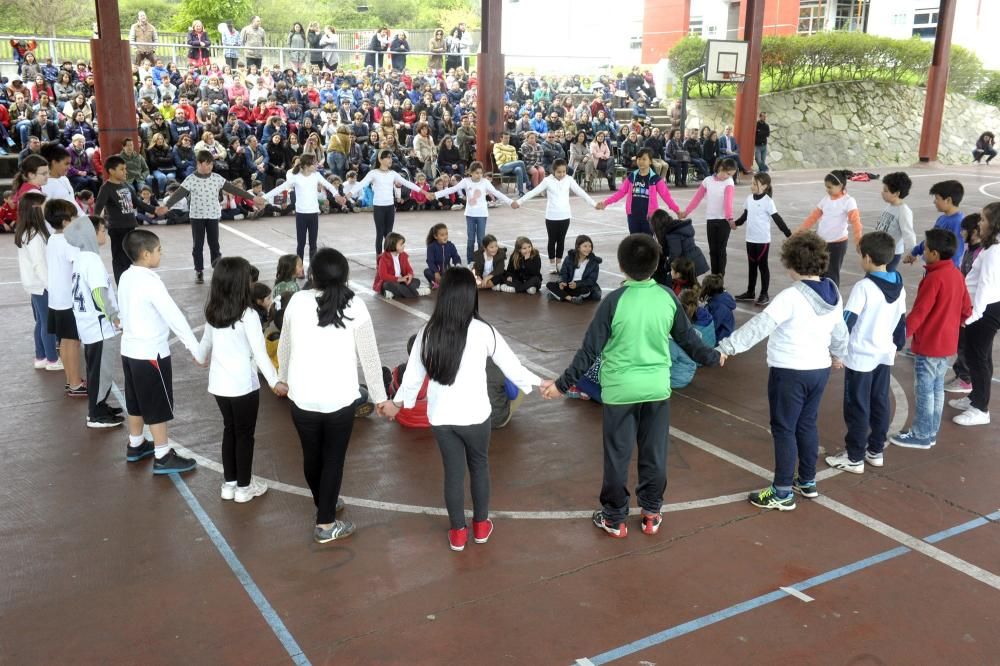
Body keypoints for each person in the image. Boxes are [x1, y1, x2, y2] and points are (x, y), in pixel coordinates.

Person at [541, 234, 723, 537]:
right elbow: (690, 341)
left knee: (618, 455)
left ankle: (614, 517)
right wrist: (714, 357)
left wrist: (561, 385)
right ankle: (651, 512)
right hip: (656, 389)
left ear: (623, 267)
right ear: (656, 265)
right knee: (654, 452)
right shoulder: (667, 296)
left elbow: (589, 351)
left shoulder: (614, 301)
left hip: (620, 392)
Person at [383, 267, 542, 551]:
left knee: (453, 473)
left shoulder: (427, 332)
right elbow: (513, 368)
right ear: (471, 296)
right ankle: (481, 526)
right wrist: (543, 383)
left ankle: (458, 532)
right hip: (476, 417)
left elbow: (412, 379)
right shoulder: (483, 331)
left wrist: (396, 405)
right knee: (479, 467)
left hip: (442, 419)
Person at [717, 232, 849, 511]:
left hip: (790, 372)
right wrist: (839, 354)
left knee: (784, 428)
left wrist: (727, 347)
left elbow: (759, 327)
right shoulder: (833, 291)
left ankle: (782, 492)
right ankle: (808, 481)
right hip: (819, 370)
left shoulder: (790, 297)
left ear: (792, 264)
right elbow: (840, 329)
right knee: (807, 423)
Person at [275, 248, 390, 543]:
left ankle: (325, 503)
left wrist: (282, 379)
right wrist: (379, 397)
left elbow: (284, 345)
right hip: (340, 398)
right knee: (334, 459)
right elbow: (370, 357)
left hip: (302, 397)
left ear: (313, 275)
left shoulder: (297, 302)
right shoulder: (356, 305)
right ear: (345, 274)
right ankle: (325, 523)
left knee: (312, 456)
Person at [118, 229, 203, 474]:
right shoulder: (151, 282)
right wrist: (195, 349)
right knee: (155, 403)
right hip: (151, 353)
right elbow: (174, 317)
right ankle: (163, 455)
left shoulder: (126, 276)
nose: (161, 253)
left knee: (135, 400)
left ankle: (136, 444)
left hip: (130, 350)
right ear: (146, 254)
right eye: (158, 250)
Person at [197, 257, 280, 503]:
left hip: (219, 385)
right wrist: (275, 383)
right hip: (243, 385)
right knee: (245, 435)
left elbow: (205, 344)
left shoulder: (213, 311)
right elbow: (260, 353)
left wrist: (200, 356)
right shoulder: (248, 315)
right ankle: (244, 487)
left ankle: (229, 483)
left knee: (230, 430)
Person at [824, 231, 907, 474]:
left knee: (857, 406)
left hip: (860, 357)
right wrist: (898, 345)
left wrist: (836, 350)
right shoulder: (899, 285)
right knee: (880, 401)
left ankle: (854, 456)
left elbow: (847, 320)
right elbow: (901, 320)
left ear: (868, 258)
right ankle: (875, 451)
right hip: (884, 353)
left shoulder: (864, 287)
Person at [890, 229, 971, 449]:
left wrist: (899, 338)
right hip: (947, 344)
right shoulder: (956, 274)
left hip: (929, 344)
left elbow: (919, 313)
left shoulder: (934, 278)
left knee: (925, 389)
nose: (923, 251)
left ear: (934, 253)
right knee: (936, 388)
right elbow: (966, 308)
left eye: (925, 248)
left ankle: (922, 434)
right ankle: (930, 430)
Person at [162, 151, 264, 283]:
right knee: (197, 245)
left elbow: (234, 189)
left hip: (213, 216)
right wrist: (167, 206)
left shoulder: (217, 178)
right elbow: (178, 194)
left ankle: (217, 269)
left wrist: (252, 197)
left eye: (211, 164)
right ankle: (199, 270)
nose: (210, 167)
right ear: (199, 163)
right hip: (197, 217)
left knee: (214, 245)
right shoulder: (191, 179)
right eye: (207, 164)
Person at [64, 215, 125, 428]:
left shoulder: (81, 258)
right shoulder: (93, 260)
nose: (104, 233)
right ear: (90, 234)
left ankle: (99, 405)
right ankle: (96, 414)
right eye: (101, 229)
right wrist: (114, 317)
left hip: (88, 325)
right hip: (100, 327)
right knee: (101, 370)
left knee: (95, 368)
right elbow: (99, 294)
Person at [953, 204, 1000, 426]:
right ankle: (975, 399)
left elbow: (985, 286)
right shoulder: (992, 248)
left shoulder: (993, 252)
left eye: (983, 219)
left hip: (983, 310)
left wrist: (972, 316)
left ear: (994, 224)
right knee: (980, 356)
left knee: (977, 358)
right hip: (983, 308)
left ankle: (981, 409)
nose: (979, 223)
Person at [517, 158, 598, 274]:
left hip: (565, 216)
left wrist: (594, 204)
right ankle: (551, 263)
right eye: (559, 172)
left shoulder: (569, 180)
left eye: (564, 171)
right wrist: (519, 202)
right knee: (552, 240)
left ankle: (559, 263)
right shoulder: (547, 181)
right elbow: (533, 192)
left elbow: (582, 193)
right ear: (553, 171)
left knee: (561, 241)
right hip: (551, 216)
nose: (562, 174)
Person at [95, 155, 168, 283]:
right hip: (117, 229)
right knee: (119, 260)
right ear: (111, 171)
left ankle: (133, 283)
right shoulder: (106, 189)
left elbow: (138, 203)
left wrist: (155, 209)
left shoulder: (127, 186)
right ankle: (122, 285)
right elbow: (98, 209)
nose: (125, 172)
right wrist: (96, 226)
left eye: (125, 169)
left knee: (132, 258)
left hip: (131, 227)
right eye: (122, 169)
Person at [434, 160, 516, 263]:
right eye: (477, 173)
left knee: (481, 240)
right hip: (470, 214)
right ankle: (470, 261)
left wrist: (510, 201)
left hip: (482, 215)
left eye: (481, 173)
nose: (479, 175)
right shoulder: (465, 181)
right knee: (471, 240)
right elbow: (452, 189)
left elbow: (496, 192)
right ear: (471, 172)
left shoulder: (485, 182)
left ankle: (480, 261)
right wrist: (436, 194)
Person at [264, 154, 341, 260]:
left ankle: (312, 269)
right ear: (306, 165)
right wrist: (264, 198)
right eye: (314, 163)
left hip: (313, 214)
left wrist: (336, 195)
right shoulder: (295, 178)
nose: (316, 165)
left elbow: (329, 185)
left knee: (313, 244)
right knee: (301, 244)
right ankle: (299, 268)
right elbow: (280, 188)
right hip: (301, 215)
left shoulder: (316, 175)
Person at [15, 192, 60, 371]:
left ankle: (41, 356)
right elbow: (39, 264)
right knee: (48, 322)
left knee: (42, 321)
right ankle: (51, 359)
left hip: (35, 284)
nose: (46, 208)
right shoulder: (34, 235)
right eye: (43, 205)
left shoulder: (29, 231)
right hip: (41, 285)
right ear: (35, 209)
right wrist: (51, 286)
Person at [732, 172, 791, 306]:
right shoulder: (749, 199)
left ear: (764, 186)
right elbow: (745, 216)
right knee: (751, 266)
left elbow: (778, 219)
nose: (752, 186)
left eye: (755, 184)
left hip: (762, 240)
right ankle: (750, 292)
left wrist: (789, 234)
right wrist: (735, 223)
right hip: (750, 239)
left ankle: (764, 293)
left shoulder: (768, 202)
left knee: (762, 266)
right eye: (752, 183)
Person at [796, 170, 862, 287]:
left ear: (840, 186)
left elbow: (856, 222)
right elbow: (813, 217)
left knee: (831, 275)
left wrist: (858, 242)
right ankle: (820, 297)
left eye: (830, 187)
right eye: (826, 187)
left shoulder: (848, 201)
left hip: (837, 244)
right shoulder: (826, 199)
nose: (827, 190)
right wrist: (799, 232)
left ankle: (832, 299)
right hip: (821, 243)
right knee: (818, 272)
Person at [352, 149, 422, 254]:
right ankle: (379, 258)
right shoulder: (373, 173)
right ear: (380, 159)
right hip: (379, 207)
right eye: (388, 157)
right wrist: (348, 194)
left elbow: (407, 183)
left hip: (390, 207)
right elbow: (361, 184)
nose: (391, 160)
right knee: (380, 233)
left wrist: (423, 192)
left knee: (389, 234)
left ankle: (389, 256)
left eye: (391, 157)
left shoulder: (393, 173)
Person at [600, 148, 682, 235]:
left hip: (649, 217)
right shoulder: (632, 176)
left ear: (650, 161)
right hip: (633, 216)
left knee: (647, 242)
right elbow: (620, 193)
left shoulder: (656, 179)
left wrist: (677, 211)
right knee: (635, 241)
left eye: (644, 159)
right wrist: (605, 203)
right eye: (639, 159)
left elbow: (667, 197)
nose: (641, 161)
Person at [946, 214, 983, 395]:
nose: (961, 233)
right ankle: (961, 373)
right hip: (964, 303)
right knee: (961, 342)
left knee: (966, 344)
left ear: (975, 232)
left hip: (973, 307)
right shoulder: (970, 249)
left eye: (964, 230)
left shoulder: (981, 253)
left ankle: (965, 379)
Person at [682, 157, 737, 276]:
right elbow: (697, 198)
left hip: (724, 221)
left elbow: (728, 202)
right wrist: (686, 212)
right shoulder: (707, 181)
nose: (728, 176)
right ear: (721, 168)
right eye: (728, 173)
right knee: (713, 251)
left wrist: (730, 218)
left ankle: (720, 277)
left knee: (721, 251)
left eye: (731, 175)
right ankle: (713, 276)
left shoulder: (729, 182)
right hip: (711, 220)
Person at [904, 180, 965, 270]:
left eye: (937, 198)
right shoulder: (942, 218)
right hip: (934, 267)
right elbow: (931, 240)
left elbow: (956, 252)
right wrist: (915, 252)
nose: (934, 202)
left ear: (948, 200)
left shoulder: (958, 222)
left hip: (943, 270)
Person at [650, 209, 708, 288]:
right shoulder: (676, 227)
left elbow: (675, 254)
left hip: (688, 264)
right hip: (695, 259)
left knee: (685, 288)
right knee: (692, 286)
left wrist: (666, 267)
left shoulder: (672, 233)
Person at [874, 172, 916, 272]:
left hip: (892, 254)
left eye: (886, 190)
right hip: (880, 250)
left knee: (884, 279)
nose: (882, 192)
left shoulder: (904, 211)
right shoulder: (890, 206)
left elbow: (908, 233)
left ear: (896, 193)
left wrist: (913, 252)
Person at [545, 234, 602, 303]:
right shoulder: (569, 258)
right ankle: (571, 299)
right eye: (585, 246)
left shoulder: (594, 262)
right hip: (569, 285)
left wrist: (577, 284)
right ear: (578, 247)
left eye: (590, 246)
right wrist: (562, 282)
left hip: (582, 286)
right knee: (549, 284)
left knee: (589, 292)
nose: (588, 249)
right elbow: (563, 273)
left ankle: (559, 295)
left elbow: (591, 280)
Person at [374, 232, 430, 299]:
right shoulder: (383, 258)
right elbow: (383, 276)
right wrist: (399, 279)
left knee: (416, 281)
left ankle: (392, 294)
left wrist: (409, 275)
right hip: (389, 282)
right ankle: (417, 293)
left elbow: (409, 269)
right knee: (388, 285)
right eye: (401, 244)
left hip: (401, 282)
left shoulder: (403, 255)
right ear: (393, 245)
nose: (404, 246)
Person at [424, 223, 462, 287]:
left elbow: (456, 257)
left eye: (446, 234)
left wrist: (458, 265)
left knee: (459, 272)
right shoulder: (431, 247)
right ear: (436, 236)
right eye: (442, 235)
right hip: (436, 273)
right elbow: (430, 261)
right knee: (427, 271)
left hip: (447, 272)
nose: (445, 237)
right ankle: (442, 282)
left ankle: (442, 283)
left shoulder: (451, 245)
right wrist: (436, 272)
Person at [701, 274, 735, 342]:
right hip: (721, 333)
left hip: (721, 338)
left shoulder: (719, 307)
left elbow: (712, 326)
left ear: (708, 290)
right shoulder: (721, 297)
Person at [493, 132, 527, 196]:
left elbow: (515, 158)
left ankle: (520, 192)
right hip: (503, 167)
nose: (507, 139)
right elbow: (499, 156)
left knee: (519, 169)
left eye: (508, 138)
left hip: (512, 167)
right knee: (521, 162)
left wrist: (507, 158)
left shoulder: (512, 148)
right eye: (505, 138)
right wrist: (510, 158)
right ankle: (527, 183)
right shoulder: (497, 145)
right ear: (501, 139)